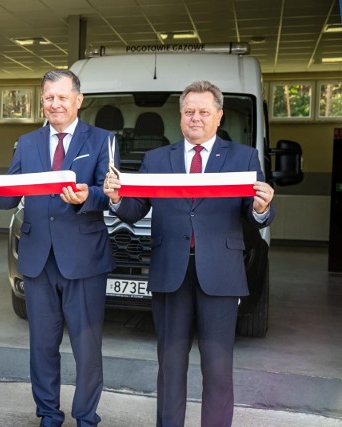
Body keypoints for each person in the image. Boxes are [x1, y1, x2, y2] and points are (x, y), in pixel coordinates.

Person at [104, 80, 276, 427]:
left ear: (218, 116)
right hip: (171, 274)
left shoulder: (243, 157)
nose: (195, 118)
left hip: (221, 275)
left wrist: (262, 207)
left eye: (203, 112)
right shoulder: (157, 159)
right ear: (180, 116)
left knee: (217, 369)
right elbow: (136, 209)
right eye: (188, 111)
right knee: (170, 367)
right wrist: (118, 198)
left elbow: (255, 213)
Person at [0, 69, 114, 427]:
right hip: (38, 259)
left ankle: (86, 417)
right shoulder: (28, 142)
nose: (55, 104)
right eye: (49, 98)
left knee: (87, 349)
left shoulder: (101, 140)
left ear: (78, 100)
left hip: (83, 260)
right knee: (41, 347)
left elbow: (111, 193)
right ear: (42, 101)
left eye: (62, 97)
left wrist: (88, 196)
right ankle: (48, 415)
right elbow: (12, 195)